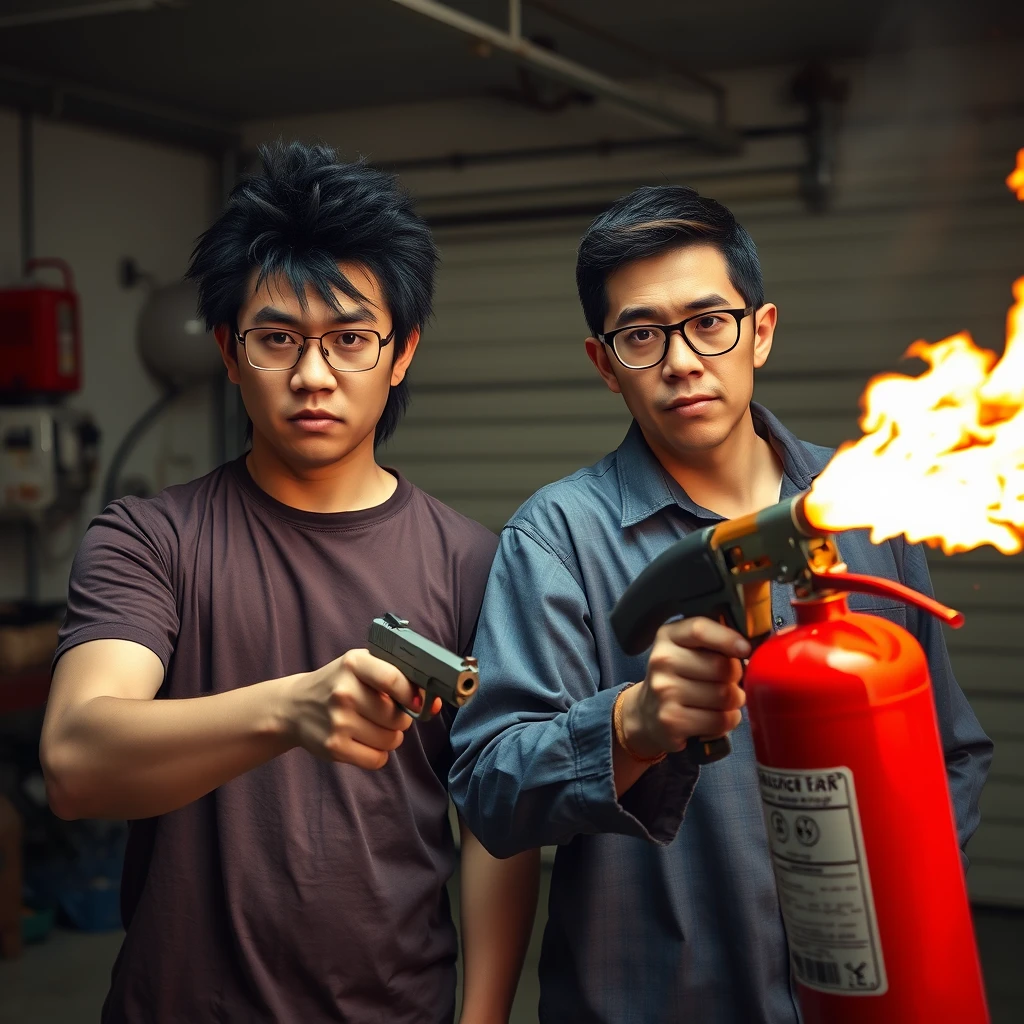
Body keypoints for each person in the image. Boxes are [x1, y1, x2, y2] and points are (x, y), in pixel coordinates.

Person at [448, 185, 993, 1023]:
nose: (681, 359)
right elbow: (492, 791)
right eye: (641, 335)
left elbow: (951, 752)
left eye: (709, 322)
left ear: (760, 332)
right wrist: (630, 725)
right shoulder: (556, 538)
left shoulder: (863, 503)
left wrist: (890, 902)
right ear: (604, 364)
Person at [40, 141, 538, 1024]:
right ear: (231, 354)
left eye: (350, 340)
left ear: (402, 351)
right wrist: (289, 711)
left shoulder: (473, 562)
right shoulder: (150, 540)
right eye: (279, 340)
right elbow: (78, 762)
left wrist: (484, 1014)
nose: (313, 376)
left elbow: (496, 828)